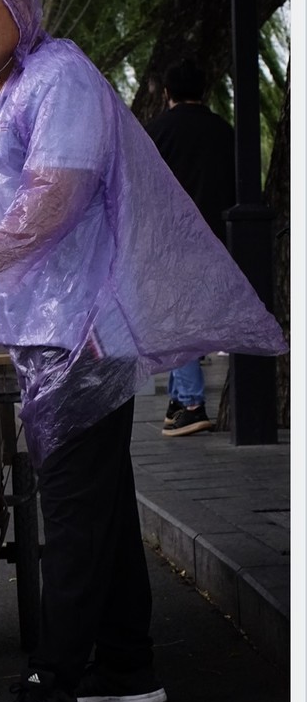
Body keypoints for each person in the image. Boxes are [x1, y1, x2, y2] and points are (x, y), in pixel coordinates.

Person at [0, 0, 286, 702]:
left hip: (79, 328)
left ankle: (56, 676)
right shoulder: (13, 87)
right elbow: (35, 173)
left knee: (76, 512)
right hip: (52, 328)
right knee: (105, 504)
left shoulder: (62, 75)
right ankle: (127, 667)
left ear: (20, 3)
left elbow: (58, 191)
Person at [146, 60, 237, 437]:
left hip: (174, 240)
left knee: (177, 322)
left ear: (166, 94)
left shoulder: (158, 131)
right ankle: (179, 397)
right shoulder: (225, 130)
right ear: (204, 91)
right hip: (223, 236)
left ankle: (191, 404)